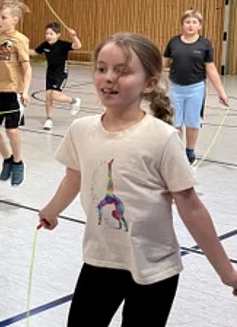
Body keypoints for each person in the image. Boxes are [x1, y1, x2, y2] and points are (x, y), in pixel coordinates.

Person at [39, 33, 237, 327]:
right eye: (102, 68)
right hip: (100, 260)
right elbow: (73, 179)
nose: (109, 77)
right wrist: (51, 211)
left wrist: (227, 273)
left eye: (122, 71)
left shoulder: (162, 137)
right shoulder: (81, 130)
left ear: (149, 83)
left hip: (155, 269)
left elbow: (191, 207)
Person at [163, 9, 229, 164]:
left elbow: (211, 69)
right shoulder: (174, 42)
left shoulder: (204, 44)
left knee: (193, 121)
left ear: (200, 26)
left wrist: (221, 92)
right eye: (187, 22)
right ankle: (177, 149)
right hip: (175, 88)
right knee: (175, 121)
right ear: (182, 24)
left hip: (195, 88)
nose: (190, 25)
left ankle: (189, 150)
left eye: (194, 22)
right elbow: (163, 63)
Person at [0, 0, 32, 187]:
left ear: (15, 20)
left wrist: (25, 91)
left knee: (12, 130)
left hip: (12, 92)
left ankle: (18, 163)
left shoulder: (20, 40)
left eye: (3, 17)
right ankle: (7, 159)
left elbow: (27, 69)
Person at [29, 22, 82, 130]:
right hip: (50, 73)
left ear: (58, 35)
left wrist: (74, 37)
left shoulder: (63, 45)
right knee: (48, 96)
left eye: (51, 34)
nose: (48, 36)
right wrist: (19, 49)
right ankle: (49, 120)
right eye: (47, 33)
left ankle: (74, 101)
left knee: (54, 95)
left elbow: (78, 46)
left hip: (61, 73)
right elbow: (34, 52)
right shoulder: (45, 45)